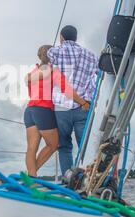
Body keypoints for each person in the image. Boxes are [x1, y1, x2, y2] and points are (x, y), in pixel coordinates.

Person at [24, 45, 90, 177]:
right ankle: (30, 176)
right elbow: (67, 90)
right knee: (53, 145)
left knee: (31, 148)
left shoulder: (33, 72)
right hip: (43, 110)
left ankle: (29, 178)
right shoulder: (54, 71)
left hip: (29, 110)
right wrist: (83, 102)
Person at [47, 25, 99, 176]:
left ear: (62, 37)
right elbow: (99, 76)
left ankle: (68, 179)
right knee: (85, 145)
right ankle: (88, 177)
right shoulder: (91, 56)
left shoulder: (54, 51)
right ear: (76, 38)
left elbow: (48, 65)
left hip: (61, 108)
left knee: (64, 146)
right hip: (83, 106)